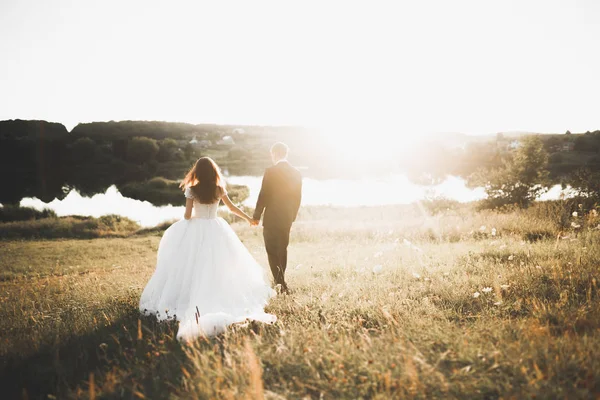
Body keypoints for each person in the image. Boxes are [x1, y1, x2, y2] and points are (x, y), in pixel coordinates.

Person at [139, 157, 276, 340]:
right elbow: (233, 208)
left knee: (190, 265)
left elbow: (187, 216)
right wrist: (249, 219)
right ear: (213, 172)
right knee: (219, 264)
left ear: (196, 171)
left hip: (195, 229)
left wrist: (195, 212)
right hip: (215, 227)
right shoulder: (219, 189)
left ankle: (189, 296)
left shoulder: (191, 190)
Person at [253, 142, 302, 294]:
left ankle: (279, 283)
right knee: (282, 249)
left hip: (272, 217)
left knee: (271, 250)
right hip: (286, 217)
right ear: (286, 153)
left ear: (273, 154)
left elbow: (263, 195)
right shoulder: (296, 172)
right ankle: (281, 281)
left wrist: (256, 216)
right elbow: (297, 198)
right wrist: (292, 216)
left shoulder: (270, 171)